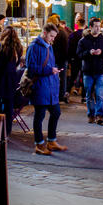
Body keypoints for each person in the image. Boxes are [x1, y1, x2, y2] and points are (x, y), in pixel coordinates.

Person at [26, 23, 66, 155]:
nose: (53, 39)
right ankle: (39, 144)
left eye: (54, 37)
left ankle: (51, 140)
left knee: (56, 112)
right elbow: (30, 68)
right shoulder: (34, 47)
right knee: (40, 115)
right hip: (40, 86)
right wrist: (50, 70)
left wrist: (54, 74)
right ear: (44, 33)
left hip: (50, 86)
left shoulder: (49, 47)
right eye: (51, 36)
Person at [77, 17, 103, 124]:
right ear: (91, 27)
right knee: (89, 95)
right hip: (88, 72)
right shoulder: (83, 40)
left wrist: (101, 52)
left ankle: (99, 115)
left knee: (100, 95)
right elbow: (79, 55)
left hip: (100, 71)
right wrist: (89, 52)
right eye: (96, 26)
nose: (98, 28)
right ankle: (91, 114)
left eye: (99, 26)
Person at [0, 27, 22, 137]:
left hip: (1, 78)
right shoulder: (18, 47)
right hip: (12, 78)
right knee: (9, 105)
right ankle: (7, 131)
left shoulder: (2, 46)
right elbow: (18, 63)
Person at [48, 13, 70, 103]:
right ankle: (60, 95)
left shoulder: (60, 32)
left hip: (58, 59)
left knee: (60, 78)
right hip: (60, 59)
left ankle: (60, 95)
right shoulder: (62, 31)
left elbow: (64, 48)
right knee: (61, 78)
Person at [67, 16, 86, 98]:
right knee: (84, 77)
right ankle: (84, 96)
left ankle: (67, 92)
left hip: (74, 59)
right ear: (85, 25)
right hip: (84, 58)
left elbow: (69, 48)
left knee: (73, 77)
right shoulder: (86, 35)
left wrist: (70, 59)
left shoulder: (72, 35)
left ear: (77, 24)